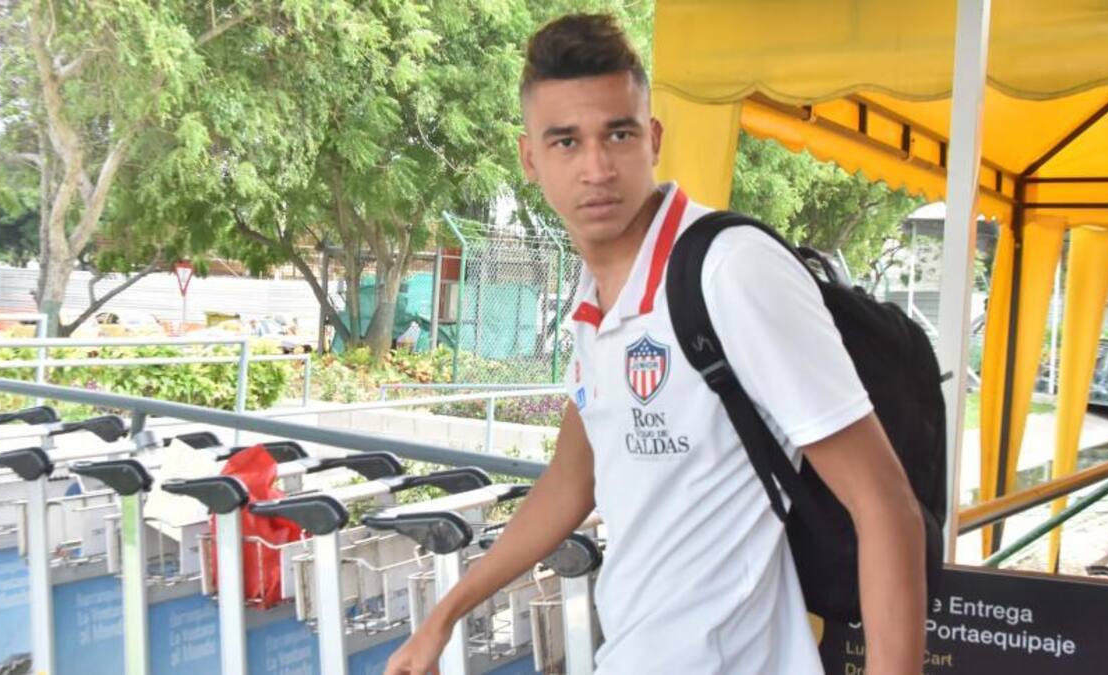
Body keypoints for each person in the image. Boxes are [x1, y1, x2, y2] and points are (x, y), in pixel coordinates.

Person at [385, 14, 926, 675]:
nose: (596, 168)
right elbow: (571, 480)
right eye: (565, 141)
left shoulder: (731, 270)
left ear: (654, 140)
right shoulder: (595, 298)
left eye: (619, 134)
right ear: (530, 158)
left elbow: (885, 504)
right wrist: (444, 615)